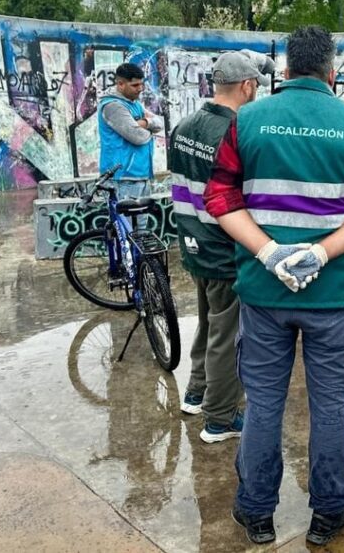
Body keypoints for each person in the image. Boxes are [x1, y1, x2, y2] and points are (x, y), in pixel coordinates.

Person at [204, 25, 344, 546]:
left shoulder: (247, 122)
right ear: (333, 71)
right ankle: (331, 511)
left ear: (285, 69)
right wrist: (320, 252)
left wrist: (268, 252)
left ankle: (256, 512)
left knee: (263, 402)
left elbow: (219, 199)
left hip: (263, 295)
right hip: (334, 296)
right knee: (331, 402)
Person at [170, 50, 275, 444]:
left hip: (192, 241)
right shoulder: (237, 132)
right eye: (255, 88)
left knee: (208, 325)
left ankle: (196, 394)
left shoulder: (184, 126)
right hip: (224, 249)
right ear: (247, 86)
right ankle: (220, 417)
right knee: (228, 337)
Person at [98, 62, 163, 200]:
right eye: (135, 85)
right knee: (124, 222)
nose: (140, 89)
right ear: (120, 84)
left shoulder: (134, 104)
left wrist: (144, 123)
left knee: (141, 222)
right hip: (122, 178)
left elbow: (159, 124)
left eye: (141, 84)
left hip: (140, 175)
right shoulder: (113, 106)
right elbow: (137, 136)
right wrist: (149, 131)